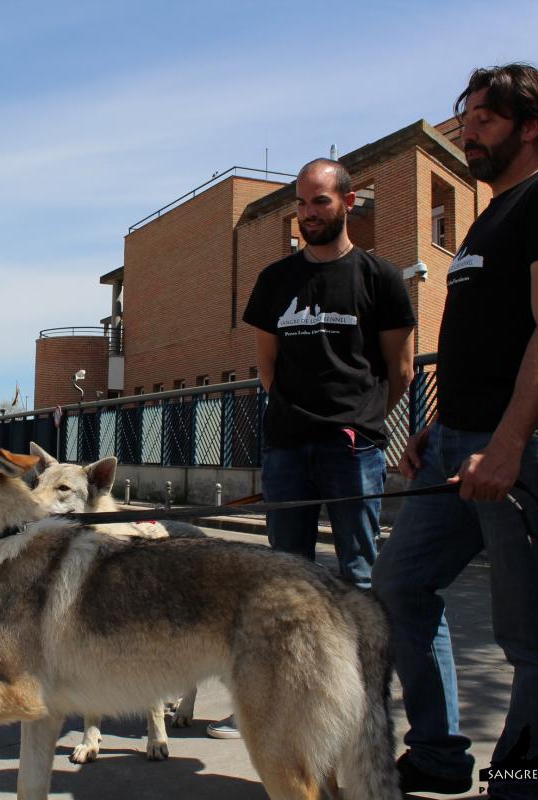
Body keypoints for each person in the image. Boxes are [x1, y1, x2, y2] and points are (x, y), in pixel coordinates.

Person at [372, 64, 538, 800]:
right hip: (458, 441)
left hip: (525, 444)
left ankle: (524, 782)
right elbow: (484, 342)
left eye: (482, 118)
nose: (466, 130)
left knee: (529, 632)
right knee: (400, 585)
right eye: (465, 117)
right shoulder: (490, 214)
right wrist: (436, 423)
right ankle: (439, 755)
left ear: (529, 125)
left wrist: (506, 444)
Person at [209, 158, 415, 739]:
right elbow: (268, 369)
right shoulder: (276, 280)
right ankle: (273, 701)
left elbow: (399, 369)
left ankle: (360, 706)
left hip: (352, 449)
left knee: (358, 574)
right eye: (300, 204)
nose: (307, 214)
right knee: (284, 579)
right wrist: (298, 422)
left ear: (350, 202)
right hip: (287, 449)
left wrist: (360, 421)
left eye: (319, 201)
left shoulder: (381, 278)